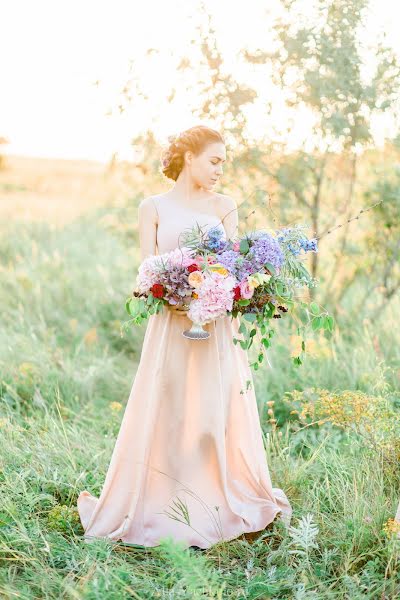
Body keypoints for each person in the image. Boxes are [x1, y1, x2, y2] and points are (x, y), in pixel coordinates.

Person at [77, 124, 292, 549]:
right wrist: (164, 291)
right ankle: (162, 502)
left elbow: (235, 267)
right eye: (214, 161)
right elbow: (145, 270)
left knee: (212, 411)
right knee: (170, 408)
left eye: (224, 164)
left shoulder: (224, 205)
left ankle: (212, 501)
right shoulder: (152, 206)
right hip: (170, 326)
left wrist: (224, 293)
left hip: (215, 327)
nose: (219, 171)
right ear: (189, 158)